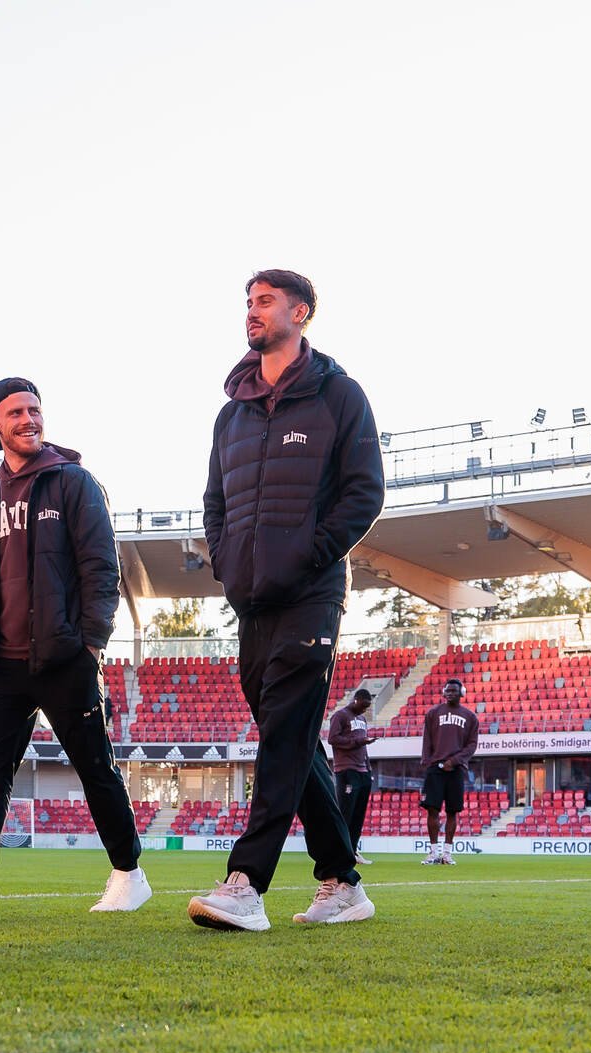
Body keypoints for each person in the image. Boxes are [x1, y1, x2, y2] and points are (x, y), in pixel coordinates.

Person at [187, 270, 384, 932]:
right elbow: (215, 502)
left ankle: (246, 883)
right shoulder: (232, 414)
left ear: (301, 313)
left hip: (313, 591)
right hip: (251, 602)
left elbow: (365, 494)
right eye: (249, 302)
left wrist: (306, 554)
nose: (253, 311)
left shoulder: (339, 397)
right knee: (289, 738)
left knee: (283, 736)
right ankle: (343, 883)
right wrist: (228, 565)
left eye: (265, 301)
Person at [0, 377, 151, 919]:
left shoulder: (74, 483)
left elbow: (100, 568)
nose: (29, 419)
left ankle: (128, 873)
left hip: (63, 657)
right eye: (16, 412)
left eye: (35, 410)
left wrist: (91, 644)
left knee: (95, 766)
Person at [419, 680, 479, 865]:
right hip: (435, 769)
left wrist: (454, 761)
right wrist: (428, 762)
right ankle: (433, 853)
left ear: (462, 692)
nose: (450, 693)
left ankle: (447, 853)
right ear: (443, 692)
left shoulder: (470, 717)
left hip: (455, 770)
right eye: (447, 690)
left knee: (453, 811)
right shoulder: (433, 713)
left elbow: (471, 746)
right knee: (432, 810)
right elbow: (427, 740)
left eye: (454, 691)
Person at [327, 688, 376, 864]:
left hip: (363, 771)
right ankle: (339, 852)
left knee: (358, 815)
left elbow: (363, 747)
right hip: (346, 769)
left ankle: (353, 851)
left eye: (367, 707)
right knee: (346, 813)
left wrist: (369, 768)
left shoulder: (362, 719)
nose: (365, 710)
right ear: (356, 700)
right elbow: (332, 738)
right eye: (363, 706)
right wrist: (357, 742)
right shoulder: (340, 716)